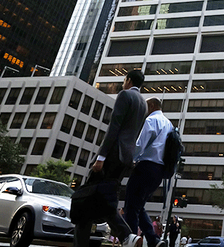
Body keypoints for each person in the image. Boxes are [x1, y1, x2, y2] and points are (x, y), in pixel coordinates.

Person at [73, 70, 147, 247]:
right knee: (100, 198)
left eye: (124, 80)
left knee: (88, 195)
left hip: (113, 154)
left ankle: (126, 235)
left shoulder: (125, 95)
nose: (123, 84)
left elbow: (114, 127)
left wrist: (101, 156)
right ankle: (126, 236)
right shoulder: (143, 103)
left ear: (128, 80)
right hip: (126, 158)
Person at [123, 96, 175, 247]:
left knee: (131, 207)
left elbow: (140, 144)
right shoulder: (169, 124)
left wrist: (130, 159)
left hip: (146, 166)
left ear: (151, 106)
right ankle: (154, 240)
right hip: (159, 171)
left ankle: (131, 240)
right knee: (139, 205)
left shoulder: (151, 120)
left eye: (146, 107)